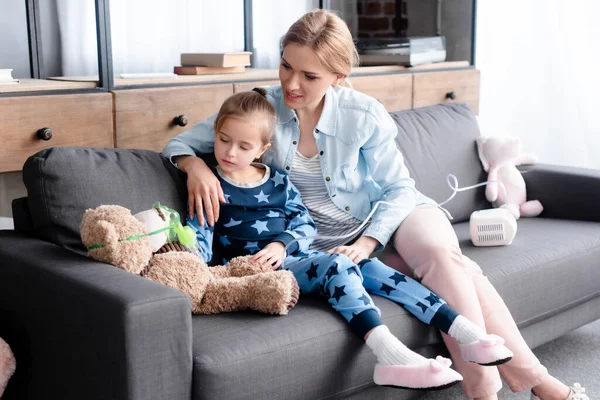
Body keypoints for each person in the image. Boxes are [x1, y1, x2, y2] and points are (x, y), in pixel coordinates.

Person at [163, 9, 589, 400]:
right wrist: (194, 168)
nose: (292, 84)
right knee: (465, 275)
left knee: (443, 257)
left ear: (338, 75)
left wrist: (368, 242)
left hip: (391, 218)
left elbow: (400, 189)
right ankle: (540, 382)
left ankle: (483, 391)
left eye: (309, 76)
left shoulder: (363, 114)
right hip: (320, 244)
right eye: (286, 66)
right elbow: (182, 141)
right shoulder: (262, 108)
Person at [184, 88, 517, 391]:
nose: (230, 152)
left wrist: (281, 244)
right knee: (337, 262)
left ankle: (462, 330)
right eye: (224, 140)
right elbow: (199, 235)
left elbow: (304, 224)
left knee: (370, 266)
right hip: (251, 271)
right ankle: (387, 352)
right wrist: (201, 273)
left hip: (288, 257)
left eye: (244, 146)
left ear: (264, 149)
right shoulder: (211, 185)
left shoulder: (279, 182)